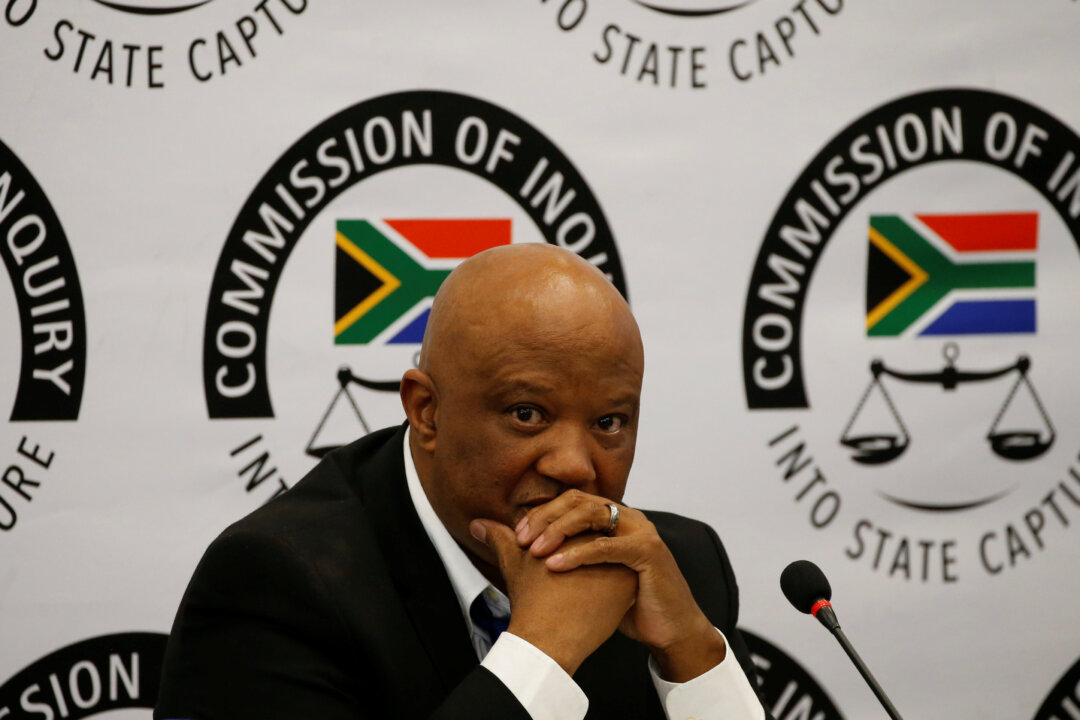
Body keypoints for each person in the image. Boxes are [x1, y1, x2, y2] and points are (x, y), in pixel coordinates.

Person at [156, 244, 768, 720]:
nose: (576, 467)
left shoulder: (673, 570)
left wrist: (693, 657)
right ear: (426, 411)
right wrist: (542, 653)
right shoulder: (280, 583)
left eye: (609, 422)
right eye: (528, 414)